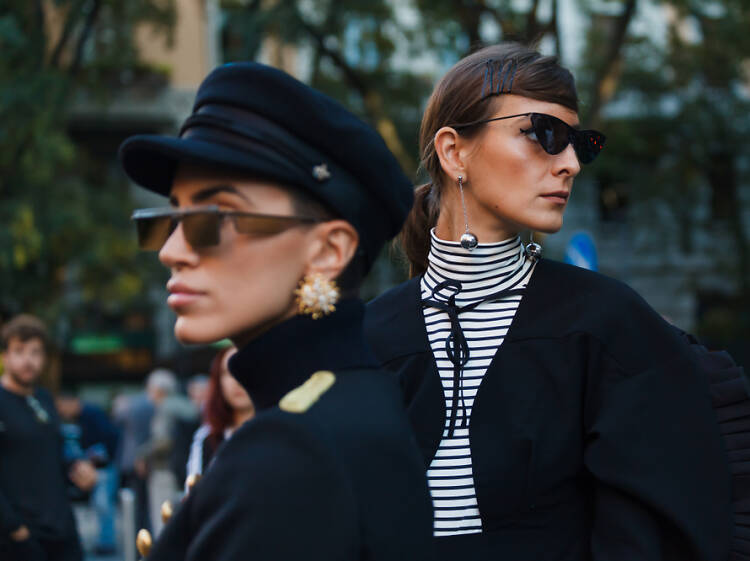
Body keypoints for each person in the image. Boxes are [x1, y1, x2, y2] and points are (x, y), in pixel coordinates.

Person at [364, 43, 743, 560]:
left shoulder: (604, 322)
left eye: (579, 144)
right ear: (454, 152)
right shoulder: (372, 337)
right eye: (544, 135)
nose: (570, 164)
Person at [118, 61, 433, 560]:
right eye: (170, 217)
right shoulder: (353, 400)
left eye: (211, 217)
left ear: (329, 251)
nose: (171, 250)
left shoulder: (291, 452)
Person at [0, 315, 97, 561]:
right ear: (5, 356)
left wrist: (78, 470)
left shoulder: (44, 399)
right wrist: (15, 530)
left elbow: (52, 456)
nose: (28, 360)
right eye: (19, 351)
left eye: (35, 352)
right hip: (20, 539)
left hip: (63, 531)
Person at [55, 391, 120, 555]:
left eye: (62, 406)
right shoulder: (78, 417)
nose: (62, 411)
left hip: (102, 468)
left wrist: (96, 458)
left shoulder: (92, 414)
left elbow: (110, 438)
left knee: (103, 504)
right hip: (90, 467)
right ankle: (104, 541)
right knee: (100, 505)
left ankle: (107, 543)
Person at [186, 346, 254, 483]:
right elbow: (193, 493)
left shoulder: (280, 432)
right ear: (218, 381)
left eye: (246, 369)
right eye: (228, 372)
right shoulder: (208, 437)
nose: (237, 380)